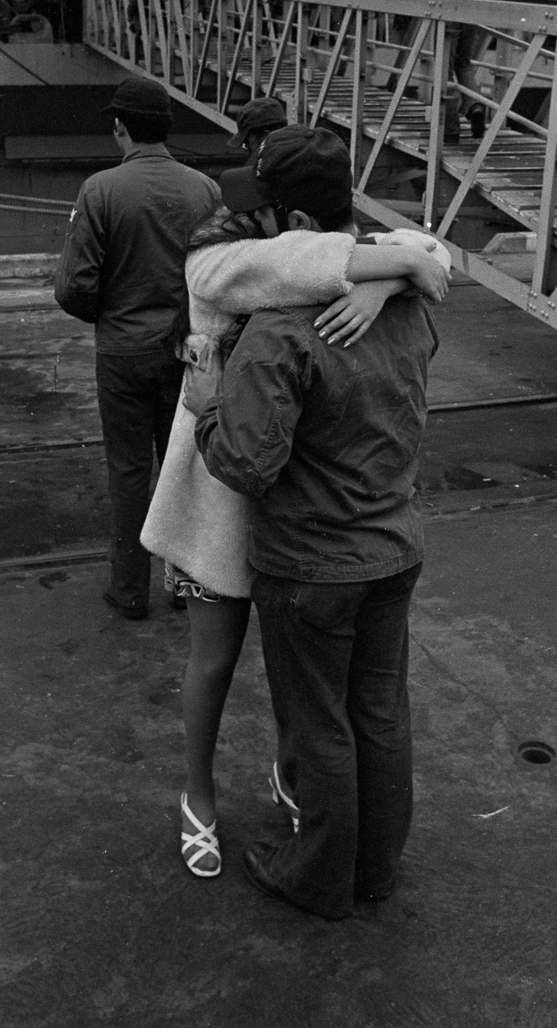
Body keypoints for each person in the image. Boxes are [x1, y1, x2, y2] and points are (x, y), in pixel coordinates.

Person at [141, 148, 452, 881]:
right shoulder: (221, 267)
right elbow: (331, 263)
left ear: (299, 215)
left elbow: (433, 254)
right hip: (225, 500)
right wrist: (392, 270)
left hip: (299, 507)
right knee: (219, 662)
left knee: (306, 689)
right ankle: (200, 797)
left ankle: (298, 791)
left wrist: (385, 278)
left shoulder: (331, 268)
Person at [54, 78, 219, 619]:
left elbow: (74, 287)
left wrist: (111, 316)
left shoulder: (99, 190)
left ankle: (128, 590)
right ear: (167, 127)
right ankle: (184, 585)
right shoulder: (206, 190)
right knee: (183, 465)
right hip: (188, 349)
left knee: (128, 471)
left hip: (123, 353)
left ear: (120, 127)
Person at [412, 0, 497, 143]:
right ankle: (475, 106)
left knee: (445, 68)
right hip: (472, 7)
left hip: (446, 7)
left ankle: (450, 130)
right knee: (465, 63)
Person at [227, 97, 288, 162]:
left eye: (246, 145)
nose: (248, 152)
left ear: (266, 137)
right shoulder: (296, 159)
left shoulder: (259, 168)